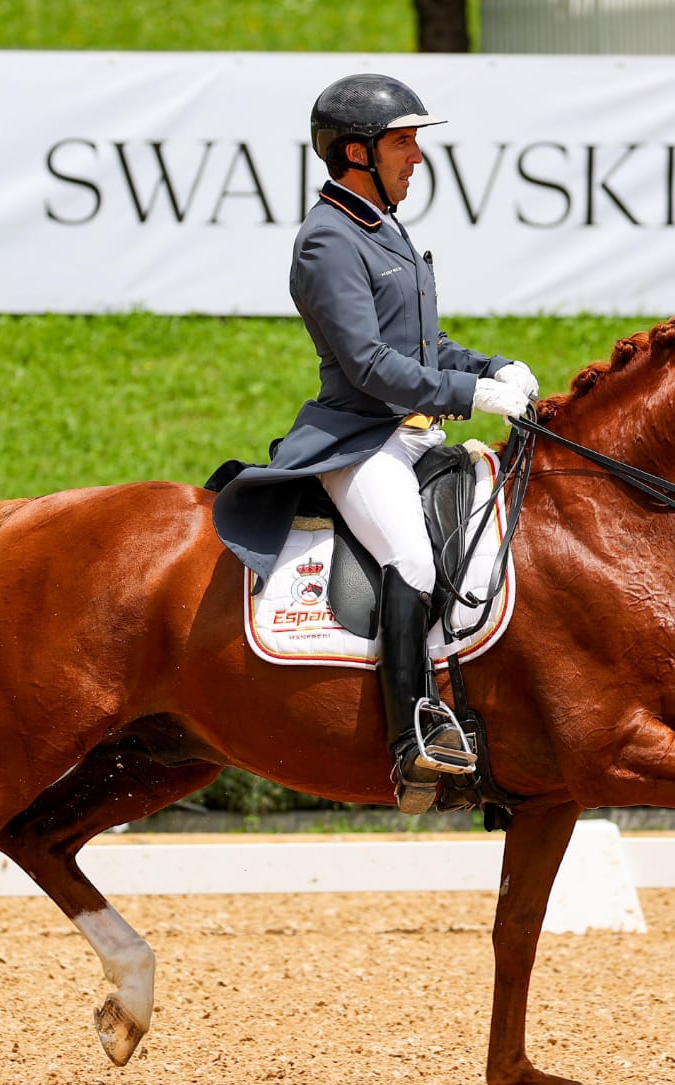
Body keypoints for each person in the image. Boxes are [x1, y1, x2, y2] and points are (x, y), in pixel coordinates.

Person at [211, 73, 535, 814]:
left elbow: (424, 346)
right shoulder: (327, 239)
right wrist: (469, 396)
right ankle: (411, 743)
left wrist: (490, 368)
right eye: (403, 141)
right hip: (361, 445)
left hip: (415, 437)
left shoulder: (383, 229)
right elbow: (368, 365)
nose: (417, 156)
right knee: (412, 559)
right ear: (355, 152)